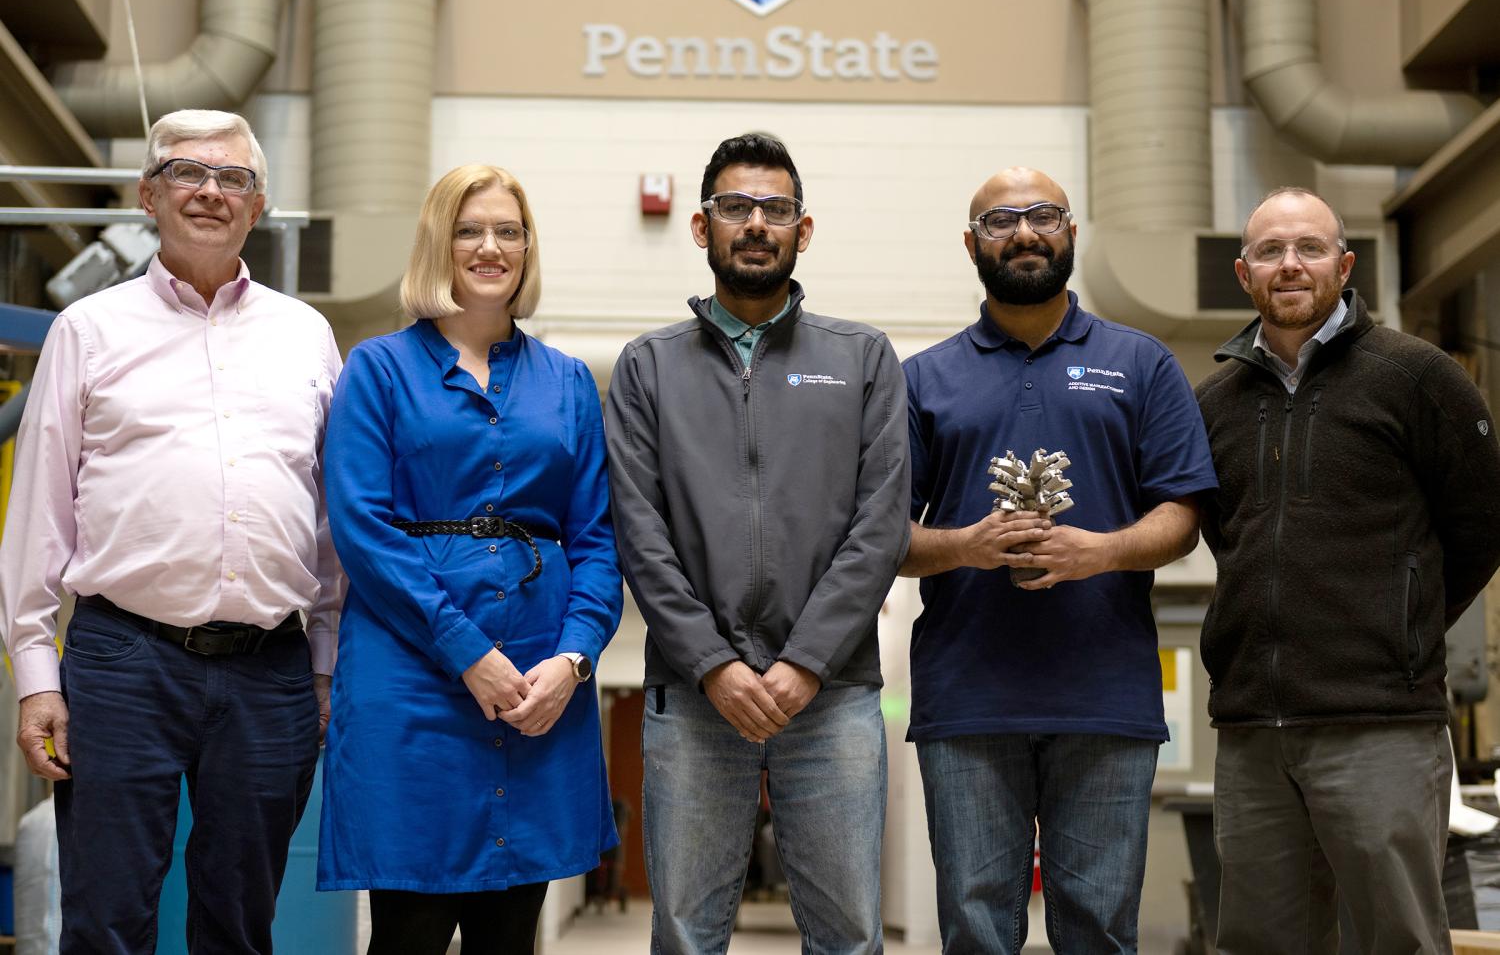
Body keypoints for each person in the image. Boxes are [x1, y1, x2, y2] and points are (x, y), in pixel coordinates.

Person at [0, 108, 342, 953]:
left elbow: (333, 519)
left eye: (233, 178)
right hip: (123, 663)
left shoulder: (307, 335)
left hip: (271, 668)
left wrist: (328, 661)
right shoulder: (90, 330)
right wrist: (37, 673)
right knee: (107, 915)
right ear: (149, 194)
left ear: (257, 206)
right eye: (187, 172)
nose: (210, 191)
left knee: (240, 919)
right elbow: (39, 512)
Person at [605, 132, 910, 955]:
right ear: (701, 228)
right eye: (735, 207)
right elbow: (640, 530)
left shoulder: (865, 359)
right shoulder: (647, 367)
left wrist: (806, 659)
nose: (755, 224)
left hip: (835, 691)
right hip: (696, 695)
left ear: (802, 231)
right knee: (685, 933)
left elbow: (880, 525)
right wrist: (715, 663)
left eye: (776, 209)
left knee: (848, 933)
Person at [899, 166, 1216, 954]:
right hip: (968, 701)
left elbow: (1183, 518)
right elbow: (883, 539)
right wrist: (968, 544)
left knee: (1101, 929)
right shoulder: (922, 379)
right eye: (1000, 220)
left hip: (1105, 697)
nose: (1025, 232)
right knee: (975, 930)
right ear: (972, 244)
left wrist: (1099, 552)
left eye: (1043, 214)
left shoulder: (1141, 363)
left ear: (1072, 232)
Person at [316, 164, 622, 954]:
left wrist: (576, 659)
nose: (491, 246)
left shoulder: (567, 383)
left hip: (539, 687)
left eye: (508, 231)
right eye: (469, 229)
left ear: (528, 248)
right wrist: (468, 652)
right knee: (410, 933)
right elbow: (362, 527)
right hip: (410, 679)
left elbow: (595, 539)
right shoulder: (377, 370)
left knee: (509, 935)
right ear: (438, 244)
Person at [1195, 187, 1500, 955]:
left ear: (1345, 263)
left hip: (1380, 727)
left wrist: (1402, 623)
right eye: (1270, 251)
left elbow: (1481, 525)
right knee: (1257, 944)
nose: (1290, 264)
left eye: (1310, 247)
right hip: (1254, 731)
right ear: (1243, 271)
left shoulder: (1418, 377)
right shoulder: (1214, 403)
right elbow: (1223, 538)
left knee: (1396, 941)